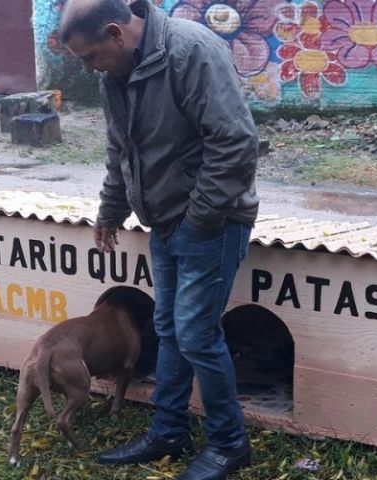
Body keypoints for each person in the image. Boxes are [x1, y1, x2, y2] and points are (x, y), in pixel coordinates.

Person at [59, 0, 260, 479]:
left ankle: (230, 445)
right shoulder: (117, 74)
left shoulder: (192, 52)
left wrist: (200, 219)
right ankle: (169, 430)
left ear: (115, 33)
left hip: (212, 222)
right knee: (169, 327)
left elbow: (235, 142)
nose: (90, 69)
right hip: (166, 221)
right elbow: (120, 147)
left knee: (196, 334)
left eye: (90, 57)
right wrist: (111, 209)